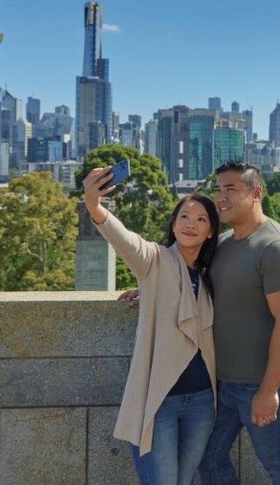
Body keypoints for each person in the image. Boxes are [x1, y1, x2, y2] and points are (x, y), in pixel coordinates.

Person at [83, 165, 220, 484]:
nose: (191, 224)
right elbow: (126, 241)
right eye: (184, 216)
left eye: (201, 219)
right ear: (173, 224)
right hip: (161, 403)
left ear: (211, 230)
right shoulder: (154, 261)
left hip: (203, 402)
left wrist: (152, 296)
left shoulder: (211, 273)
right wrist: (94, 205)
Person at [199, 160, 280, 485]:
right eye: (218, 190)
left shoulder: (278, 248)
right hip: (222, 384)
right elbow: (188, 278)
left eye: (231, 189)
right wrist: (146, 290)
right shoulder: (223, 243)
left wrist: (269, 390)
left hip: (260, 384)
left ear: (255, 193)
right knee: (208, 459)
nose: (221, 198)